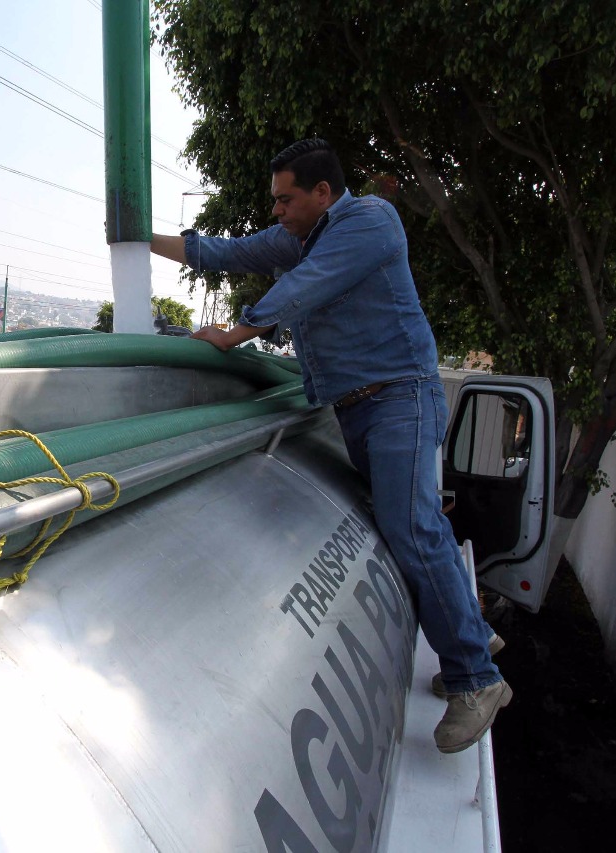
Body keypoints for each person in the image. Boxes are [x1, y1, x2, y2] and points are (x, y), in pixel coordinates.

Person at [150, 138, 510, 754]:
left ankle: (477, 679)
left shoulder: (370, 220)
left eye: (286, 199)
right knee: (417, 524)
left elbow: (309, 286)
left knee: (413, 527)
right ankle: (470, 629)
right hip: (360, 408)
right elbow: (224, 252)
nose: (277, 212)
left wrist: (236, 333)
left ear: (323, 193)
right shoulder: (297, 239)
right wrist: (136, 238)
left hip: (401, 397)